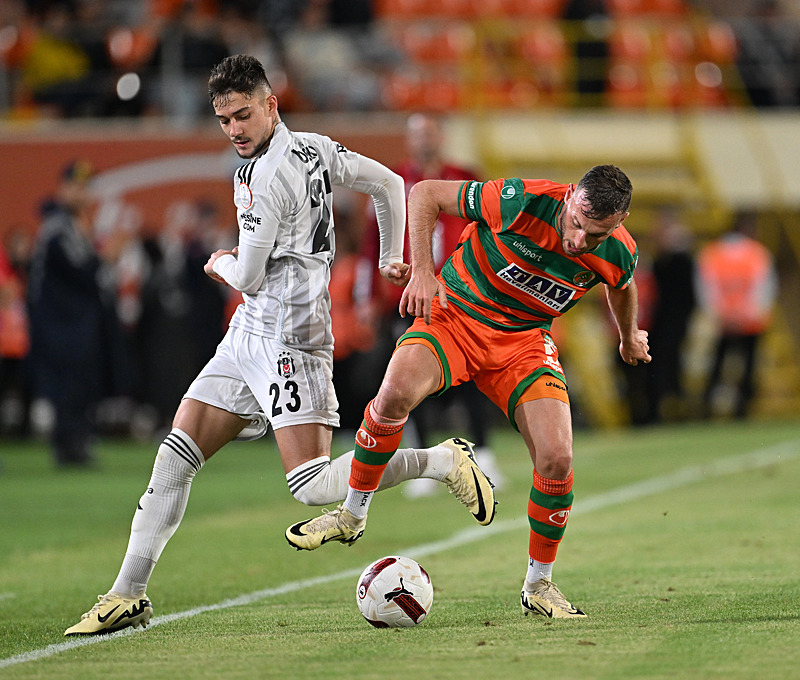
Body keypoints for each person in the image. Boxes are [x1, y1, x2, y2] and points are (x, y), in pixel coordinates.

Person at [64, 54, 493, 636]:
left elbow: (244, 274)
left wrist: (216, 261)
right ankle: (127, 593)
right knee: (174, 456)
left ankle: (440, 461)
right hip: (249, 333)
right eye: (224, 120)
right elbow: (389, 184)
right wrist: (394, 256)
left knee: (312, 484)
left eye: (243, 115)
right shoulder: (312, 146)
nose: (235, 129)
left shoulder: (267, 179)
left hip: (292, 336)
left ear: (271, 104)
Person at [287, 165, 651, 619]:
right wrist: (423, 271)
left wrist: (629, 334)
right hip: (456, 314)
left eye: (594, 235)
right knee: (394, 394)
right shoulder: (522, 201)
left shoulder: (618, 250)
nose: (578, 241)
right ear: (572, 194)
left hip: (522, 343)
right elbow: (424, 194)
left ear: (619, 222)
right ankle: (351, 515)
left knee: (557, 458)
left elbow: (621, 284)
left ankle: (539, 584)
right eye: (576, 222)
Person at [358, 113, 503, 492]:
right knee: (407, 375)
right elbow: (371, 243)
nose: (424, 140)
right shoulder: (392, 182)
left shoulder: (465, 176)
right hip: (409, 292)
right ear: (409, 140)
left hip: (462, 292)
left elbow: (490, 232)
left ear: (441, 136)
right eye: (417, 134)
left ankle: (482, 453)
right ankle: (421, 460)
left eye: (430, 133)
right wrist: (369, 295)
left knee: (472, 372)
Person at [27, 161, 120, 467]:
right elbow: (80, 271)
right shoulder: (58, 227)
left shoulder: (74, 226)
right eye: (77, 187)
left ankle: (76, 443)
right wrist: (104, 257)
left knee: (80, 384)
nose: (84, 194)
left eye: (86, 187)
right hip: (60, 325)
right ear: (63, 189)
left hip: (74, 324)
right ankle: (69, 446)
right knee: (68, 386)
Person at [697, 211, 777, 419]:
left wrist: (719, 314)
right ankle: (743, 408)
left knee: (718, 364)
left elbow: (706, 288)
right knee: (747, 366)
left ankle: (708, 407)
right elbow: (765, 288)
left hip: (724, 320)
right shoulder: (758, 253)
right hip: (749, 322)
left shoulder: (712, 252)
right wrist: (749, 314)